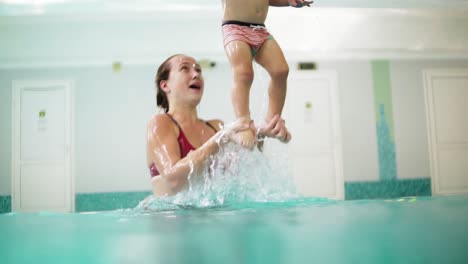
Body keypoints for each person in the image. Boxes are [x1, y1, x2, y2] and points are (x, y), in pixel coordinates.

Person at [147, 54, 287, 197]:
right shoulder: (160, 123)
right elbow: (174, 181)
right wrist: (221, 137)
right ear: (165, 85)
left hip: (211, 215)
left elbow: (241, 171)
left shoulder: (215, 126)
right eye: (185, 69)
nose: (196, 74)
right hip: (169, 215)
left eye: (199, 70)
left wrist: (261, 134)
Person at [222, 0, 312, 148]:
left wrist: (288, 2)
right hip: (235, 27)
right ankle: (243, 122)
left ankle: (272, 120)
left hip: (259, 30)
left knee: (281, 71)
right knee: (244, 73)